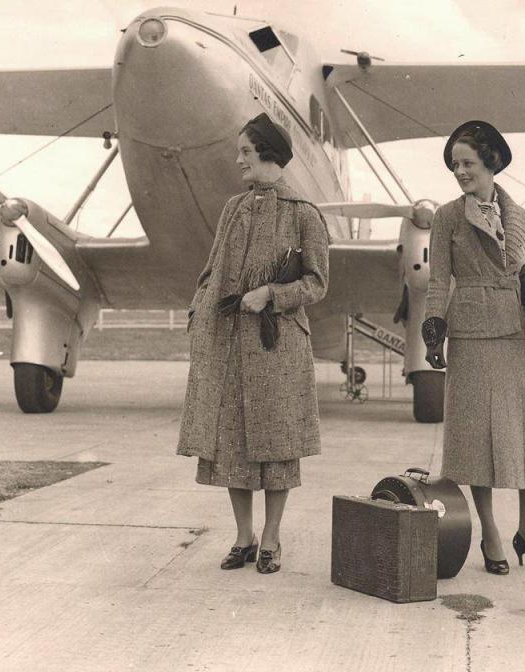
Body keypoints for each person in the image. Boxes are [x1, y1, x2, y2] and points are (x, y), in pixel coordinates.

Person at [176, 112, 330, 574]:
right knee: (230, 445)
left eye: (245, 150)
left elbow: (317, 284)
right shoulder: (233, 208)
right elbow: (212, 268)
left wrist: (272, 295)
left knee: (277, 444)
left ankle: (271, 539)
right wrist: (198, 307)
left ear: (267, 152)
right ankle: (242, 537)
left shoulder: (304, 213)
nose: (238, 159)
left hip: (277, 348)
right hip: (226, 343)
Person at [422, 120, 525, 575]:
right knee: (475, 439)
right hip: (469, 333)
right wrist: (433, 327)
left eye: (467, 163)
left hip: (516, 333)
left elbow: (524, 277)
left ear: (492, 163)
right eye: (454, 166)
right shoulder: (447, 216)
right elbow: (437, 280)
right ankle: (489, 533)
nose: (460, 172)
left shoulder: (518, 215)